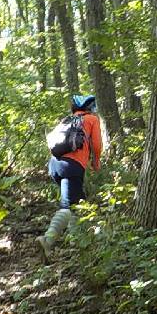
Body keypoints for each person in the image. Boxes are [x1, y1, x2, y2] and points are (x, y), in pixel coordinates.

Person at [36, 94, 103, 260]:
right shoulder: (91, 119)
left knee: (77, 203)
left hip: (55, 165)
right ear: (89, 107)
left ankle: (76, 243)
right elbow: (96, 144)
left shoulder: (67, 120)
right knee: (68, 205)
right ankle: (47, 239)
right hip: (72, 166)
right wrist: (96, 161)